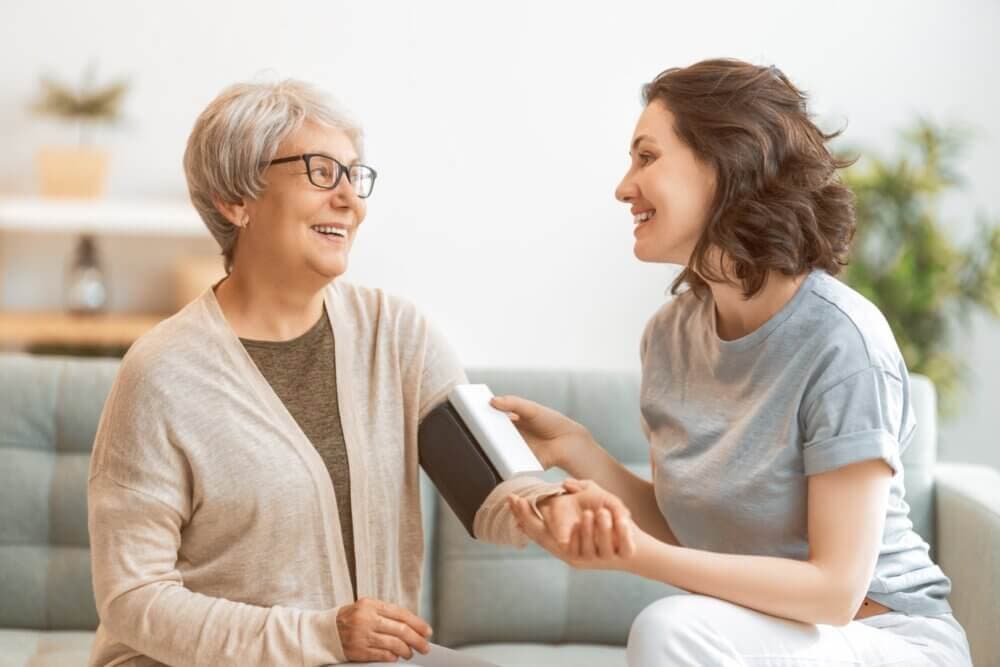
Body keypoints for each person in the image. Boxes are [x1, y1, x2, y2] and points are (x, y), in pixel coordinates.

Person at [86, 79, 624, 666]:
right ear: (234, 199)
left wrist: (553, 509)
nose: (351, 201)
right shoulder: (163, 372)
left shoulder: (396, 334)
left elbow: (493, 486)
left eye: (355, 175)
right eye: (321, 172)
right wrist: (321, 635)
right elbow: (132, 598)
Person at [498, 59, 973, 666]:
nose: (623, 187)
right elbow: (692, 533)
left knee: (672, 630)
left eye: (646, 157)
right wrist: (574, 447)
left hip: (887, 639)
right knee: (676, 627)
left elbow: (834, 591)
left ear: (726, 164)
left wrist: (633, 556)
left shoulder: (841, 340)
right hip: (764, 637)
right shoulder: (669, 338)